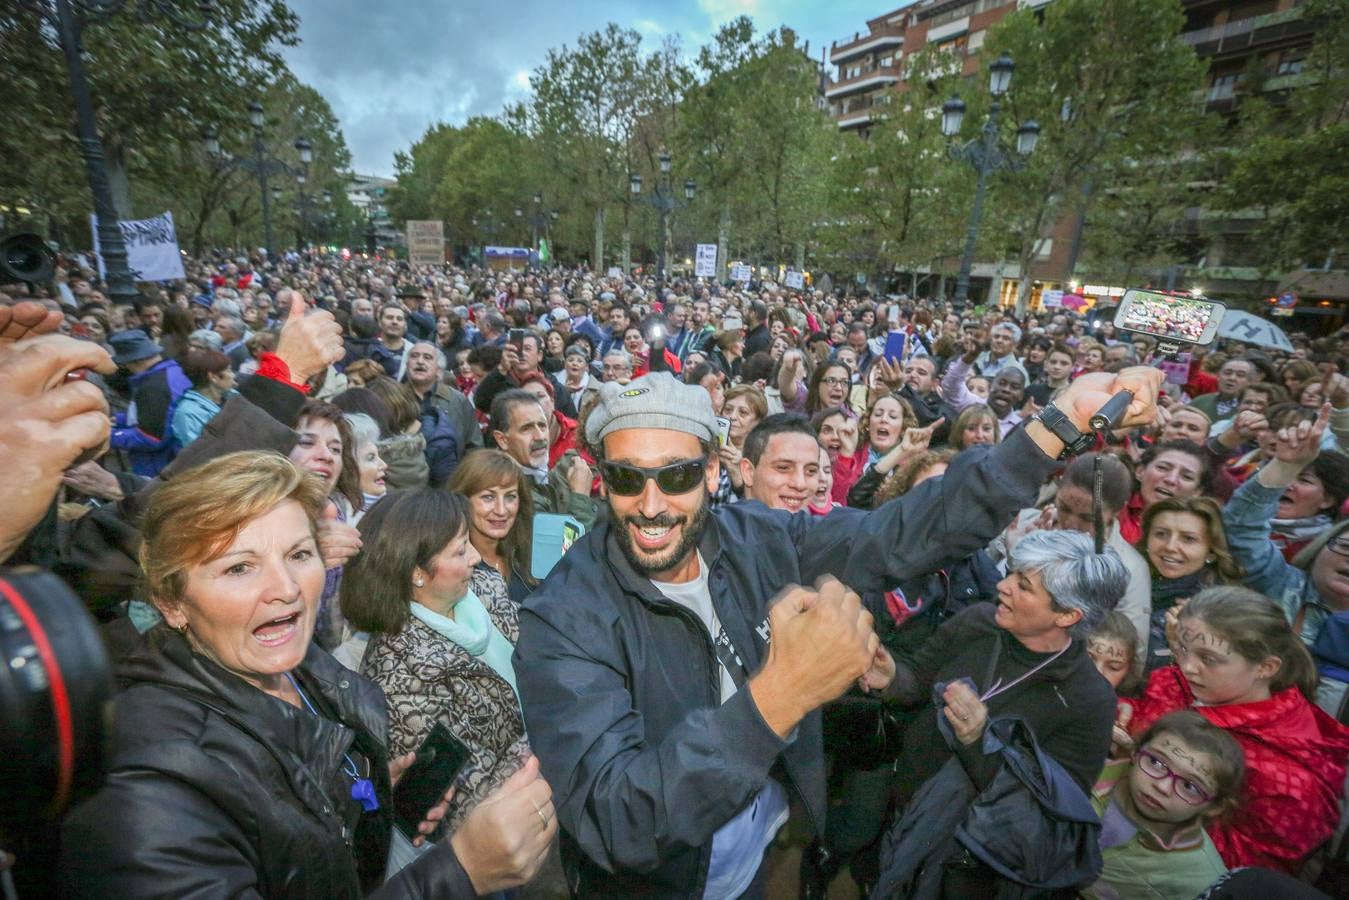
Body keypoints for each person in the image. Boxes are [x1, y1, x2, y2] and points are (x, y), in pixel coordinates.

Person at [514, 366, 1163, 897]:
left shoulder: (755, 537)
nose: (651, 503)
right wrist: (779, 697)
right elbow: (616, 821)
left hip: (767, 855)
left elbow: (904, 535)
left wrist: (1053, 428)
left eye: (676, 474)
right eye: (628, 477)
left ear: (713, 472)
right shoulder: (564, 616)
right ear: (601, 479)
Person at [59, 452, 556, 897]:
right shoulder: (145, 783)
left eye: (298, 555)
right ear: (171, 603)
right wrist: (459, 872)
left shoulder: (313, 674)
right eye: (238, 568)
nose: (286, 589)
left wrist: (368, 796)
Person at [872, 530, 1130, 897]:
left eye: (1023, 585)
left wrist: (977, 743)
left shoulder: (1089, 700)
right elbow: (915, 679)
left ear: (1068, 615)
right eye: (1012, 572)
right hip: (903, 812)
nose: (1003, 586)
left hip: (967, 863)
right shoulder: (979, 622)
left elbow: (1049, 815)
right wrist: (891, 677)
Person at [342, 488, 535, 837]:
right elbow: (459, 806)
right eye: (461, 550)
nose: (476, 557)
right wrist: (551, 724)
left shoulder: (480, 588)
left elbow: (547, 643)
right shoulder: (398, 676)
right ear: (416, 572)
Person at [1122, 587, 1349, 874]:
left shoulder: (1293, 784)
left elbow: (1241, 876)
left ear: (1265, 668)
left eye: (1209, 659)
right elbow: (1150, 699)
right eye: (1181, 647)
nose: (1187, 666)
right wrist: (1120, 713)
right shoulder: (1189, 682)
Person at [1084, 711, 1239, 900]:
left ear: (1213, 807)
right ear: (1135, 751)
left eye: (1189, 786)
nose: (1162, 786)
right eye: (1156, 762)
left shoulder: (1199, 881)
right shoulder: (1086, 773)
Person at [1139, 497, 1244, 672]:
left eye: (1188, 539)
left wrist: (1182, 645)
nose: (1170, 546)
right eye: (1161, 534)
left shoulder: (1221, 612)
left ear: (1211, 551)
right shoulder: (1127, 580)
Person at [489, 388, 599, 528]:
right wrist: (580, 497)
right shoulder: (508, 494)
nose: (540, 436)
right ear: (502, 440)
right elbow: (566, 548)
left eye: (542, 425)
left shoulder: (548, 472)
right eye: (526, 428)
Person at [448, 448, 538, 605]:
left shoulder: (530, 553)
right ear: (463, 499)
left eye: (510, 497)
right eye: (488, 497)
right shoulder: (450, 566)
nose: (501, 510)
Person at [108, 328, 191, 476]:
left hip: (159, 468)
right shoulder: (174, 371)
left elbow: (150, 438)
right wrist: (123, 419)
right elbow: (164, 414)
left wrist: (110, 435)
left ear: (134, 360)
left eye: (125, 364)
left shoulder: (153, 387)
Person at [1118, 439, 1212, 544]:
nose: (1171, 480)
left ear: (1197, 492)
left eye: (1186, 477)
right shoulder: (1110, 503)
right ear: (1140, 471)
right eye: (1162, 468)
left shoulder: (1197, 533)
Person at [170, 347, 235, 448]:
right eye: (229, 371)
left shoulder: (234, 397)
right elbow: (198, 454)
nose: (233, 376)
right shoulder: (188, 414)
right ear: (213, 377)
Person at [721, 383, 767, 494]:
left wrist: (738, 474)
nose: (732, 417)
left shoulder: (762, 458)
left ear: (758, 422)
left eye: (743, 412)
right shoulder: (708, 447)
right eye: (728, 410)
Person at [1190, 358, 1256, 423]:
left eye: (1240, 375)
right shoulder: (1200, 401)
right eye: (1227, 373)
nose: (1232, 378)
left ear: (1250, 382)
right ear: (1218, 376)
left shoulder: (1252, 409)